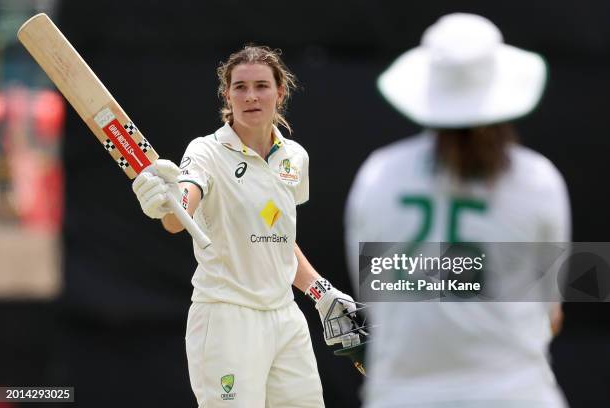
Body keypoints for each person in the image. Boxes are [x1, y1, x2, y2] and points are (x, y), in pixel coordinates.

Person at [345, 13, 570, 408]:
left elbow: (374, 295)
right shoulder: (539, 181)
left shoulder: (378, 176)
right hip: (516, 395)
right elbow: (550, 314)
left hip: (401, 396)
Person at [132, 45, 357, 407]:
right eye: (240, 86)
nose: (251, 96)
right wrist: (166, 200)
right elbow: (179, 218)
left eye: (261, 86)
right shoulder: (205, 152)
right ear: (227, 94)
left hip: (285, 317)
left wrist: (320, 291)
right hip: (226, 316)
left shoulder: (294, 157)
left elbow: (278, 239)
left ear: (280, 92)